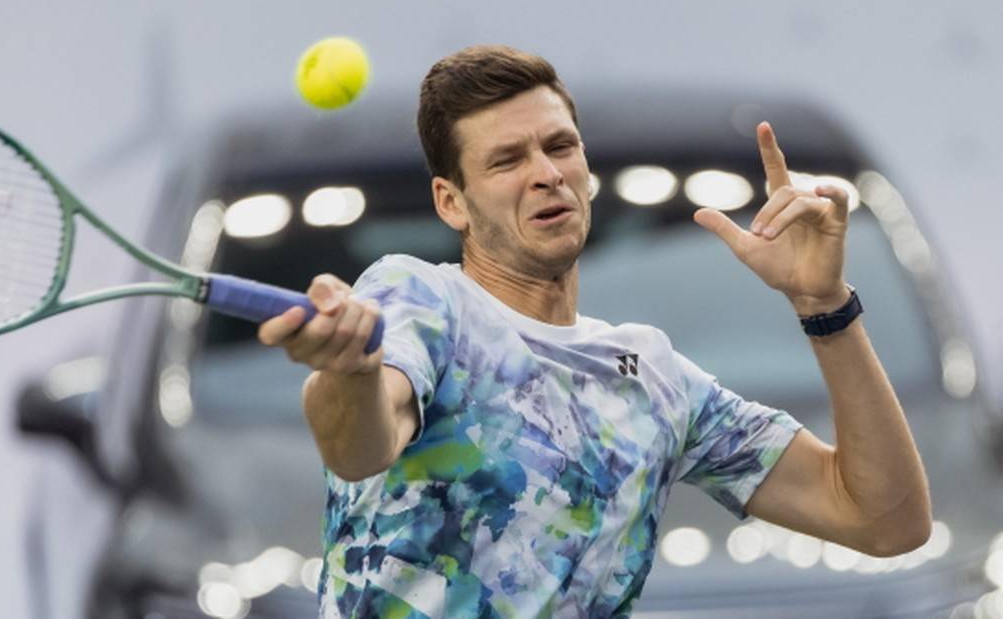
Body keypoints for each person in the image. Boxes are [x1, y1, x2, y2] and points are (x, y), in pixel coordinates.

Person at [258, 45, 931, 618]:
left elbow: (886, 520)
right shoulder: (421, 297)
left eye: (560, 147)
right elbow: (359, 443)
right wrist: (349, 370)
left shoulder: (652, 374)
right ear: (451, 202)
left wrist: (825, 305)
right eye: (507, 160)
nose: (546, 173)